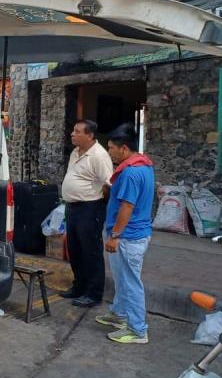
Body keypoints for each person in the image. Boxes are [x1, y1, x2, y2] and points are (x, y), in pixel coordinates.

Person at [95, 123, 154, 345]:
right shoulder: (144, 165)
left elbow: (127, 207)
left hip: (128, 236)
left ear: (124, 148)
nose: (109, 152)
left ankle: (138, 330)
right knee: (123, 279)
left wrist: (115, 235)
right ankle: (119, 314)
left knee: (130, 283)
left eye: (111, 148)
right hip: (135, 234)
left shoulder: (130, 173)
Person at [60, 120, 113, 308]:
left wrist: (98, 208)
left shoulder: (99, 156)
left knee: (90, 251)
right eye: (73, 130)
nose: (72, 134)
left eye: (77, 131)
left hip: (90, 208)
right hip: (73, 207)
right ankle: (79, 286)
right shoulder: (75, 152)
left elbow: (109, 185)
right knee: (74, 249)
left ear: (90, 135)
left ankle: (93, 293)